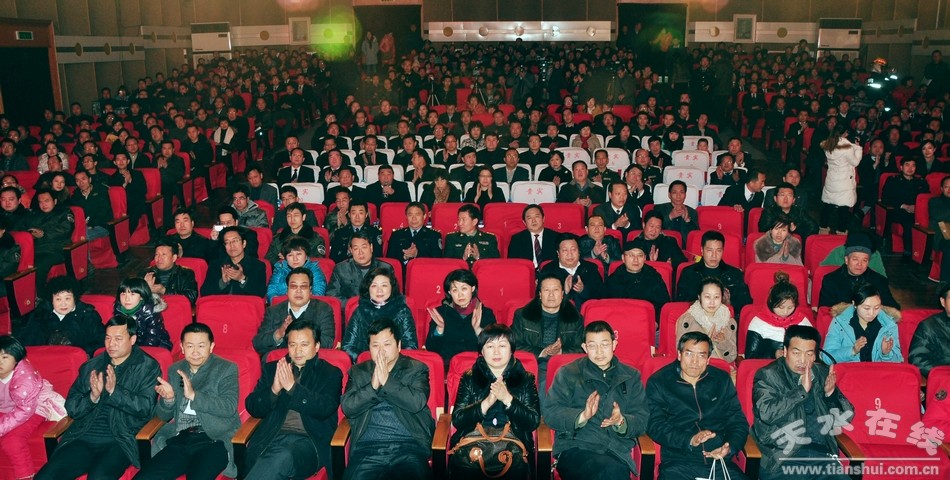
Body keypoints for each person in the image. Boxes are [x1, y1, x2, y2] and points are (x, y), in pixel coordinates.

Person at [34, 315, 161, 480]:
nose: (111, 344)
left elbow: (145, 408)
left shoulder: (147, 366)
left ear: (132, 339)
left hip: (120, 440)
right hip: (82, 437)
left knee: (98, 477)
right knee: (45, 476)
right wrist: (92, 397)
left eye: (118, 339)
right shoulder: (92, 365)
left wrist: (115, 392)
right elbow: (72, 408)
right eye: (108, 338)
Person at [544, 321, 649, 480]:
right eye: (593, 346)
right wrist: (582, 416)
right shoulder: (568, 373)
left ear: (614, 344)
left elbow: (642, 418)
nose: (599, 352)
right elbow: (550, 413)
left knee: (613, 470)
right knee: (611, 471)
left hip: (616, 450)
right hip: (575, 447)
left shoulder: (631, 377)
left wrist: (621, 421)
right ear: (585, 348)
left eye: (605, 344)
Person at [137, 323, 241, 479]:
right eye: (190, 346)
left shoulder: (226, 368)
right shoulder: (175, 369)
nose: (195, 352)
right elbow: (163, 416)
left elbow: (229, 407)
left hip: (213, 440)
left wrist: (194, 396)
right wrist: (169, 400)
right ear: (182, 347)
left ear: (211, 346)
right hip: (181, 438)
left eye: (201, 346)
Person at [244, 320, 343, 479]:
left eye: (304, 345)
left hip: (309, 442)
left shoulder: (330, 373)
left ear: (317, 346)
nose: (298, 351)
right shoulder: (273, 369)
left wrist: (293, 388)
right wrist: (274, 390)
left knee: (282, 456)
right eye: (292, 345)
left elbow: (325, 408)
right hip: (270, 436)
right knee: (271, 458)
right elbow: (253, 406)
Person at [752, 325, 853, 480]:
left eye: (809, 354)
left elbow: (846, 417)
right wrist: (801, 392)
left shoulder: (822, 374)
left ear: (815, 356)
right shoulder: (768, 375)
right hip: (784, 457)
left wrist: (830, 394)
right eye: (796, 353)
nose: (803, 360)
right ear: (785, 351)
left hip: (822, 458)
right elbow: (767, 414)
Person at [646, 331, 749, 480]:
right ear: (679, 355)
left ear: (708, 359)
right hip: (679, 462)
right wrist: (690, 439)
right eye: (689, 354)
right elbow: (655, 425)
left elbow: (738, 421)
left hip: (719, 461)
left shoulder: (721, 380)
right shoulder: (660, 382)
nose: (694, 361)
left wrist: (729, 447)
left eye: (701, 356)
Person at [341, 318, 435, 480]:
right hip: (367, 449)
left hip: (409, 447)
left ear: (398, 345)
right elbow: (348, 407)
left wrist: (387, 381)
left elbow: (417, 402)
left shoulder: (416, 369)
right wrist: (373, 387)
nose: (381, 351)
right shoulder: (358, 372)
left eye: (387, 344)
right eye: (375, 345)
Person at [449, 324, 540, 480]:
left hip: (513, 445)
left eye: (502, 346)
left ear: (511, 350)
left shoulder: (525, 379)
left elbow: (533, 421)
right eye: (490, 346)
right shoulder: (469, 378)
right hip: (473, 444)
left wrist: (508, 399)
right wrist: (486, 403)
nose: (496, 352)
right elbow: (458, 420)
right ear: (482, 352)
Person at [0, 335, 66, 480]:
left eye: (5, 357)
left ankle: (25, 476)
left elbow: (24, 410)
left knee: (12, 442)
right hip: (6, 409)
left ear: (16, 359)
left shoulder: (25, 377)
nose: (0, 362)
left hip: (33, 408)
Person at [510, 273, 584, 395]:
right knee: (543, 384)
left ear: (562, 294)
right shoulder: (523, 315)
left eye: (555, 290)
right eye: (546, 290)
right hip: (535, 362)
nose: (551, 295)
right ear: (539, 294)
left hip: (563, 364)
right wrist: (543, 352)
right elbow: (513, 345)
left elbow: (581, 348)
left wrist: (560, 352)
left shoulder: (575, 318)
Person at [340, 267, 418, 361]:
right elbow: (347, 346)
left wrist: (391, 362)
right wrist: (367, 360)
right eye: (374, 286)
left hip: (396, 365)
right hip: (365, 365)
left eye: (384, 285)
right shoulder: (360, 311)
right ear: (368, 288)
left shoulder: (402, 311)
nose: (379, 290)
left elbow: (411, 346)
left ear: (392, 288)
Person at [256, 267, 336, 356]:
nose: (298, 291)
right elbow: (258, 343)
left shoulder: (323, 309)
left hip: (310, 360)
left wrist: (298, 334)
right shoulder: (273, 311)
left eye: (303, 287)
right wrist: (279, 333)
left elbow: (327, 342)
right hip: (279, 361)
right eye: (293, 286)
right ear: (287, 290)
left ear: (310, 290)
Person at [425, 269, 497, 366]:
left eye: (464, 289)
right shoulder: (440, 313)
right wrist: (440, 329)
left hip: (477, 366)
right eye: (455, 290)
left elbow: (494, 348)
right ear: (449, 292)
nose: (460, 294)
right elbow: (431, 349)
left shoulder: (486, 313)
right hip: (448, 366)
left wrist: (478, 330)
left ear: (472, 288)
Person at [676, 231, 752, 316]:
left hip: (727, 320)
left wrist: (729, 304)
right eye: (710, 250)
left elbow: (746, 305)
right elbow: (681, 303)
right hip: (696, 319)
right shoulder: (689, 273)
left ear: (723, 251)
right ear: (702, 250)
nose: (714, 255)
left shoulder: (734, 274)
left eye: (718, 251)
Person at [818, 231, 899, 309]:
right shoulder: (831, 280)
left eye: (864, 260)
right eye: (855, 259)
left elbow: (892, 307)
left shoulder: (879, 281)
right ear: (846, 260)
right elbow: (825, 310)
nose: (859, 264)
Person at [824, 283, 903, 363]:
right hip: (851, 370)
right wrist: (852, 351)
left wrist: (886, 354)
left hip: (877, 370)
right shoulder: (840, 322)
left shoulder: (889, 324)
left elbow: (898, 360)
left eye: (876, 308)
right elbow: (827, 358)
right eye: (866, 308)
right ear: (854, 304)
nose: (872, 313)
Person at [745, 272, 813, 359]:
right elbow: (750, 356)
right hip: (767, 366)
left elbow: (813, 351)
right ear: (771, 302)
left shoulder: (803, 321)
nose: (785, 312)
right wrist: (773, 354)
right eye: (781, 307)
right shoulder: (758, 322)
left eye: (790, 307)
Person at [20, 189, 74, 298]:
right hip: (36, 249)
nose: (43, 205)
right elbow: (24, 229)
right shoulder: (34, 215)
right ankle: (23, 297)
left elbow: (65, 229)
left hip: (56, 249)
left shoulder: (64, 212)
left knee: (38, 266)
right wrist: (30, 234)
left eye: (47, 201)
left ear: (55, 201)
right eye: (40, 202)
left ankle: (40, 296)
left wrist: (44, 233)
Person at [676, 277, 739, 363]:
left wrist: (723, 342)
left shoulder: (729, 322)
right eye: (707, 297)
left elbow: (731, 358)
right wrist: (706, 341)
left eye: (716, 297)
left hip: (720, 367)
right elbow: (682, 353)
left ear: (722, 298)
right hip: (694, 366)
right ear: (699, 297)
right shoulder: (687, 320)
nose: (712, 302)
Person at [539, 233, 605, 310]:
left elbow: (602, 295)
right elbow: (540, 298)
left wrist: (583, 290)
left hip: (587, 313)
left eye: (573, 250)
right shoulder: (548, 270)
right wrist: (564, 292)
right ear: (558, 253)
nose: (569, 254)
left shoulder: (590, 268)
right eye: (565, 250)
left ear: (579, 252)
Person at [881, 157, 930, 261]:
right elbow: (885, 198)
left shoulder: (921, 181)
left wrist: (917, 208)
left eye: (913, 165)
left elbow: (926, 198)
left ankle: (926, 253)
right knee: (909, 223)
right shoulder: (893, 180)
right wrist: (904, 206)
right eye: (907, 165)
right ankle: (908, 252)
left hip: (917, 211)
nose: (910, 168)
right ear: (901, 167)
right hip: (898, 210)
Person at [326, 231, 393, 306]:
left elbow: (393, 296)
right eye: (356, 249)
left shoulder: (385, 268)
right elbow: (331, 296)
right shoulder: (341, 269)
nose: (360, 252)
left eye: (364, 247)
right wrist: (354, 305)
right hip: (351, 311)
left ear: (371, 247)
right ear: (351, 250)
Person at [606, 238, 670, 314]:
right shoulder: (614, 279)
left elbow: (663, 305)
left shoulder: (654, 277)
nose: (635, 260)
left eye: (640, 256)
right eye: (631, 255)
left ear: (644, 258)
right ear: (623, 258)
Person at [201, 226, 267, 297]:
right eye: (227, 242)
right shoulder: (215, 265)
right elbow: (204, 293)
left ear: (244, 243)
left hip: (243, 304)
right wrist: (222, 282)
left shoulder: (257, 265)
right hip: (220, 303)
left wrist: (242, 279)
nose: (231, 245)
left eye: (235, 241)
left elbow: (260, 293)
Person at [819, 125, 862, 234]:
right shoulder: (847, 147)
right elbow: (855, 162)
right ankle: (841, 231)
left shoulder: (828, 144)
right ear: (846, 132)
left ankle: (823, 228)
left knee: (828, 205)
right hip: (844, 181)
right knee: (844, 207)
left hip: (832, 179)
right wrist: (857, 148)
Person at [266, 236, 328, 302]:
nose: (295, 259)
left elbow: (318, 294)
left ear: (306, 256)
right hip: (282, 305)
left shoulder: (314, 270)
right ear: (285, 258)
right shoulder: (280, 270)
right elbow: (271, 292)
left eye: (299, 254)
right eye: (290, 255)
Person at [142, 237, 199, 306]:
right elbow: (134, 297)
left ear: (174, 258)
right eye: (157, 254)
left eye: (164, 254)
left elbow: (191, 297)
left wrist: (164, 291)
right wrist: (145, 289)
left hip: (177, 309)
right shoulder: (145, 273)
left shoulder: (186, 273)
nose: (159, 258)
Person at [909, 283, 950, 376]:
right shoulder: (929, 326)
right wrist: (942, 374)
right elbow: (918, 359)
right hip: (942, 378)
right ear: (943, 302)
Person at [507, 204, 558, 268]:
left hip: (550, 272)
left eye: (537, 216)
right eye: (529, 218)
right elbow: (512, 264)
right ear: (524, 222)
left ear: (543, 218)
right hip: (526, 271)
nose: (533, 221)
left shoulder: (556, 237)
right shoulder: (516, 239)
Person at [930, 175, 950, 282]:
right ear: (942, 189)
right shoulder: (935, 201)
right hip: (941, 236)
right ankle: (945, 283)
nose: (949, 189)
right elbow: (939, 216)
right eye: (947, 187)